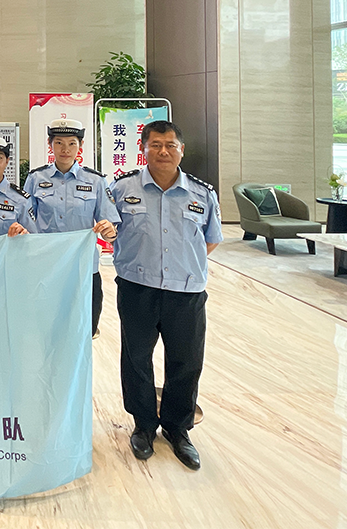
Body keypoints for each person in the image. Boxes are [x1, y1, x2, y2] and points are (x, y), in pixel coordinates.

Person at [111, 120, 222, 471]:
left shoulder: (202, 194)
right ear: (143, 148)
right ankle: (143, 425)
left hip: (185, 291)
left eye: (170, 145)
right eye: (156, 144)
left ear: (181, 150)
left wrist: (180, 264)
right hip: (137, 287)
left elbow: (211, 240)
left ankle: (178, 428)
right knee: (136, 359)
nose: (163, 151)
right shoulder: (122, 189)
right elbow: (109, 231)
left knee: (186, 361)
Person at [24, 118, 119, 338]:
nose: (65, 149)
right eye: (59, 143)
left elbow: (110, 224)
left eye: (72, 143)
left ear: (80, 146)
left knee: (85, 331)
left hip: (83, 268)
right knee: (44, 330)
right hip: (46, 267)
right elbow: (26, 219)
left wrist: (109, 230)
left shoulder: (96, 181)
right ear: (50, 145)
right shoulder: (35, 178)